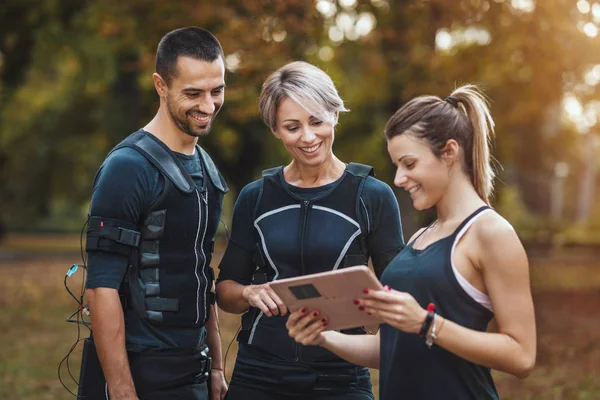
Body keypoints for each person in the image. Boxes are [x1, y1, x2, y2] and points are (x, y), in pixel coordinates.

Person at [286, 85, 537, 400]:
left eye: (409, 164)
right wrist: (324, 337)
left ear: (449, 152)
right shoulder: (422, 236)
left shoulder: (491, 233)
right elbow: (391, 348)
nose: (398, 179)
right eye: (397, 166)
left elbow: (522, 356)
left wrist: (426, 323)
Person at [216, 61, 404, 399]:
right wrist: (247, 294)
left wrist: (376, 315)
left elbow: (401, 296)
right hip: (258, 373)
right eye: (292, 126)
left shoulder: (373, 196)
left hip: (342, 377)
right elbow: (225, 292)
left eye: (317, 121)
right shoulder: (255, 197)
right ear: (275, 128)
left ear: (335, 115)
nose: (307, 137)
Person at [85, 27, 229, 400]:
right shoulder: (128, 167)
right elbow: (101, 287)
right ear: (160, 86)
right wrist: (121, 389)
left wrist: (215, 366)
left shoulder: (207, 169)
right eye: (193, 93)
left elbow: (201, 274)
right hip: (141, 369)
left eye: (217, 91)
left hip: (192, 370)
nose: (209, 105)